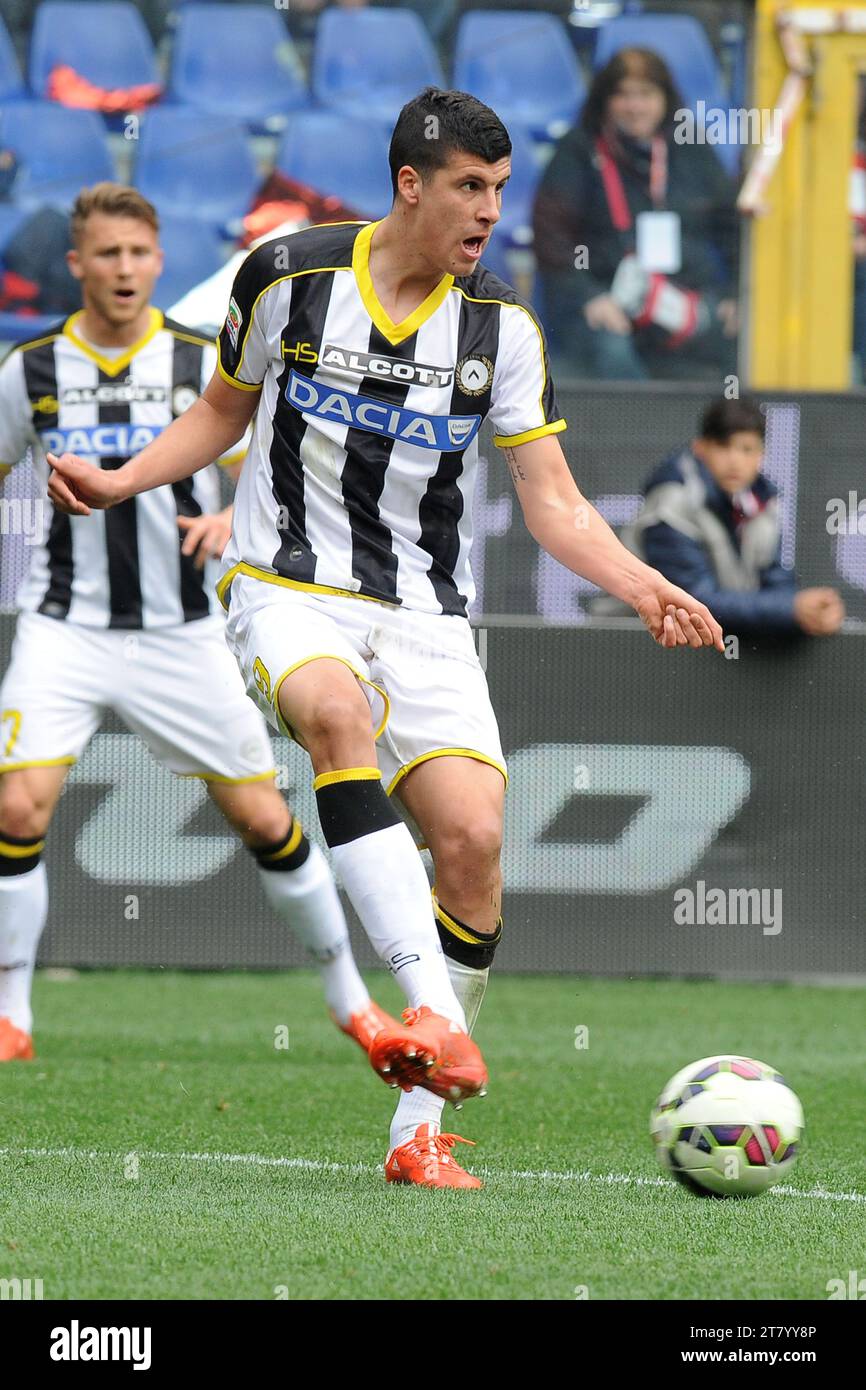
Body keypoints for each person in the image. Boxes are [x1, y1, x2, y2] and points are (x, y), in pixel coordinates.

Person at [47, 90, 724, 1188]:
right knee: (331, 714)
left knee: (471, 847)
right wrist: (121, 480)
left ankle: (415, 1135)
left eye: (500, 191)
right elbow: (221, 413)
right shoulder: (290, 274)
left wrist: (642, 584)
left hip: (424, 616)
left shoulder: (499, 328)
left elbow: (550, 501)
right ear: (410, 183)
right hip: (283, 585)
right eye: (468, 187)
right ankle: (423, 1005)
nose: (487, 213)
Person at [0, 182, 479, 1100]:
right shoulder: (29, 372)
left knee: (264, 820)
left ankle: (352, 1003)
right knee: (19, 810)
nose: (125, 270)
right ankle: (14, 1015)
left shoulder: (197, 360)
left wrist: (233, 525)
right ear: (78, 266)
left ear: (159, 259)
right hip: (63, 623)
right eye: (106, 255)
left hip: (184, 632)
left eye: (139, 254)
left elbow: (271, 453)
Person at [533, 47, 739, 381]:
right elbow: (551, 237)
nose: (635, 106)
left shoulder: (691, 148)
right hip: (605, 298)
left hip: (686, 297)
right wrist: (588, 297)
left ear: (665, 98)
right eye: (623, 95)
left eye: (646, 94)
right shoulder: (578, 149)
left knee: (742, 344)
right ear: (605, 100)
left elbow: (733, 225)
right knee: (613, 353)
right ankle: (638, 434)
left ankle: (715, 434)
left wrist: (735, 293)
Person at [621, 396, 845, 637]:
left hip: (700, 649)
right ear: (700, 448)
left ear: (762, 455)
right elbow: (691, 603)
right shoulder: (671, 503)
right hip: (626, 643)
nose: (735, 460)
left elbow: (776, 583)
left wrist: (810, 611)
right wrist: (790, 609)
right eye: (723, 446)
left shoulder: (764, 506)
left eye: (747, 449)